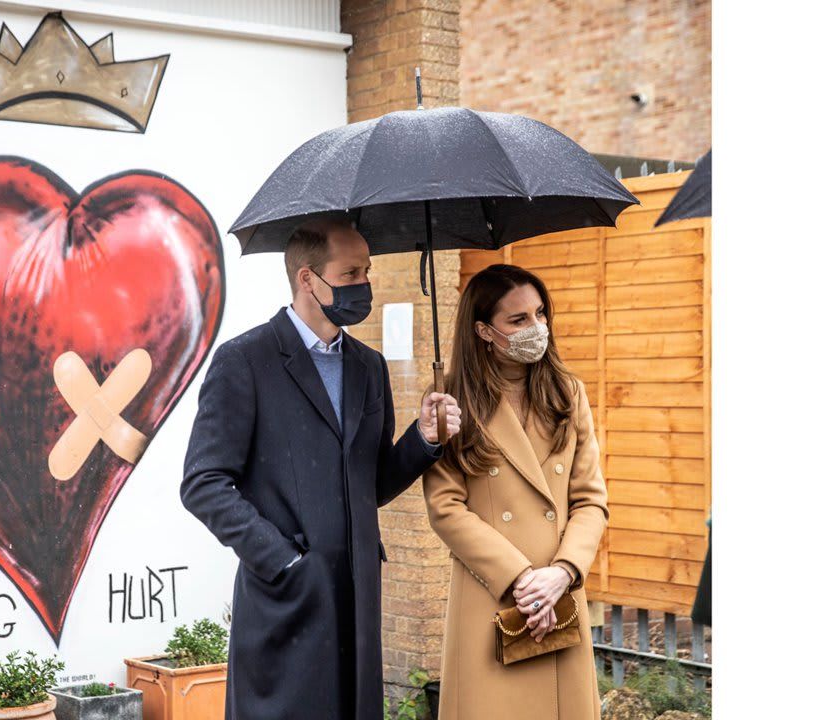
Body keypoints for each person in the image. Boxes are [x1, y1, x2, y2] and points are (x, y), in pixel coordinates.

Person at [181, 219, 462, 720]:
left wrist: (424, 439)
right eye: (351, 273)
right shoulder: (244, 360)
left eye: (367, 271)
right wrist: (283, 560)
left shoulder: (367, 367)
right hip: (286, 602)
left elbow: (370, 484)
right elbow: (203, 483)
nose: (364, 285)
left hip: (356, 601)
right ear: (308, 278)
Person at [422, 264, 608, 720]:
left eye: (540, 314)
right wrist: (522, 578)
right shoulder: (450, 401)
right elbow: (445, 507)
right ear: (484, 330)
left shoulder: (568, 393)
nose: (537, 328)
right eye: (518, 320)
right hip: (496, 598)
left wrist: (562, 573)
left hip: (559, 598)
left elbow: (590, 500)